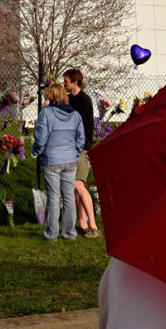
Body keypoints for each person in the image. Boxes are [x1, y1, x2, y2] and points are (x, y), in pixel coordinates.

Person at [32, 83, 85, 241]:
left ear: (50, 96)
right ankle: (69, 233)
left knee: (54, 197)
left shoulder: (46, 113)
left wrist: (37, 152)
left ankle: (51, 234)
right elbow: (80, 138)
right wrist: (74, 153)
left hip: (51, 160)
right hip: (70, 160)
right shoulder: (75, 115)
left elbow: (40, 138)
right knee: (69, 197)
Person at [63, 68, 100, 238]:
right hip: (71, 147)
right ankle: (83, 224)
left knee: (78, 184)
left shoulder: (84, 100)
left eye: (66, 81)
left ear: (75, 82)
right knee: (75, 186)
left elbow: (74, 121)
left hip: (81, 147)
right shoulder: (68, 99)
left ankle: (94, 226)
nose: (64, 84)